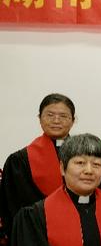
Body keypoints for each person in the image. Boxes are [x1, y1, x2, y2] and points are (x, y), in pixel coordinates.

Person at [1, 93, 76, 235]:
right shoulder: (20, 161)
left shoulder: (87, 157)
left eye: (63, 116)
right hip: (35, 234)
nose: (56, 120)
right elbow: (12, 209)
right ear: (39, 119)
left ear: (73, 120)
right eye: (50, 115)